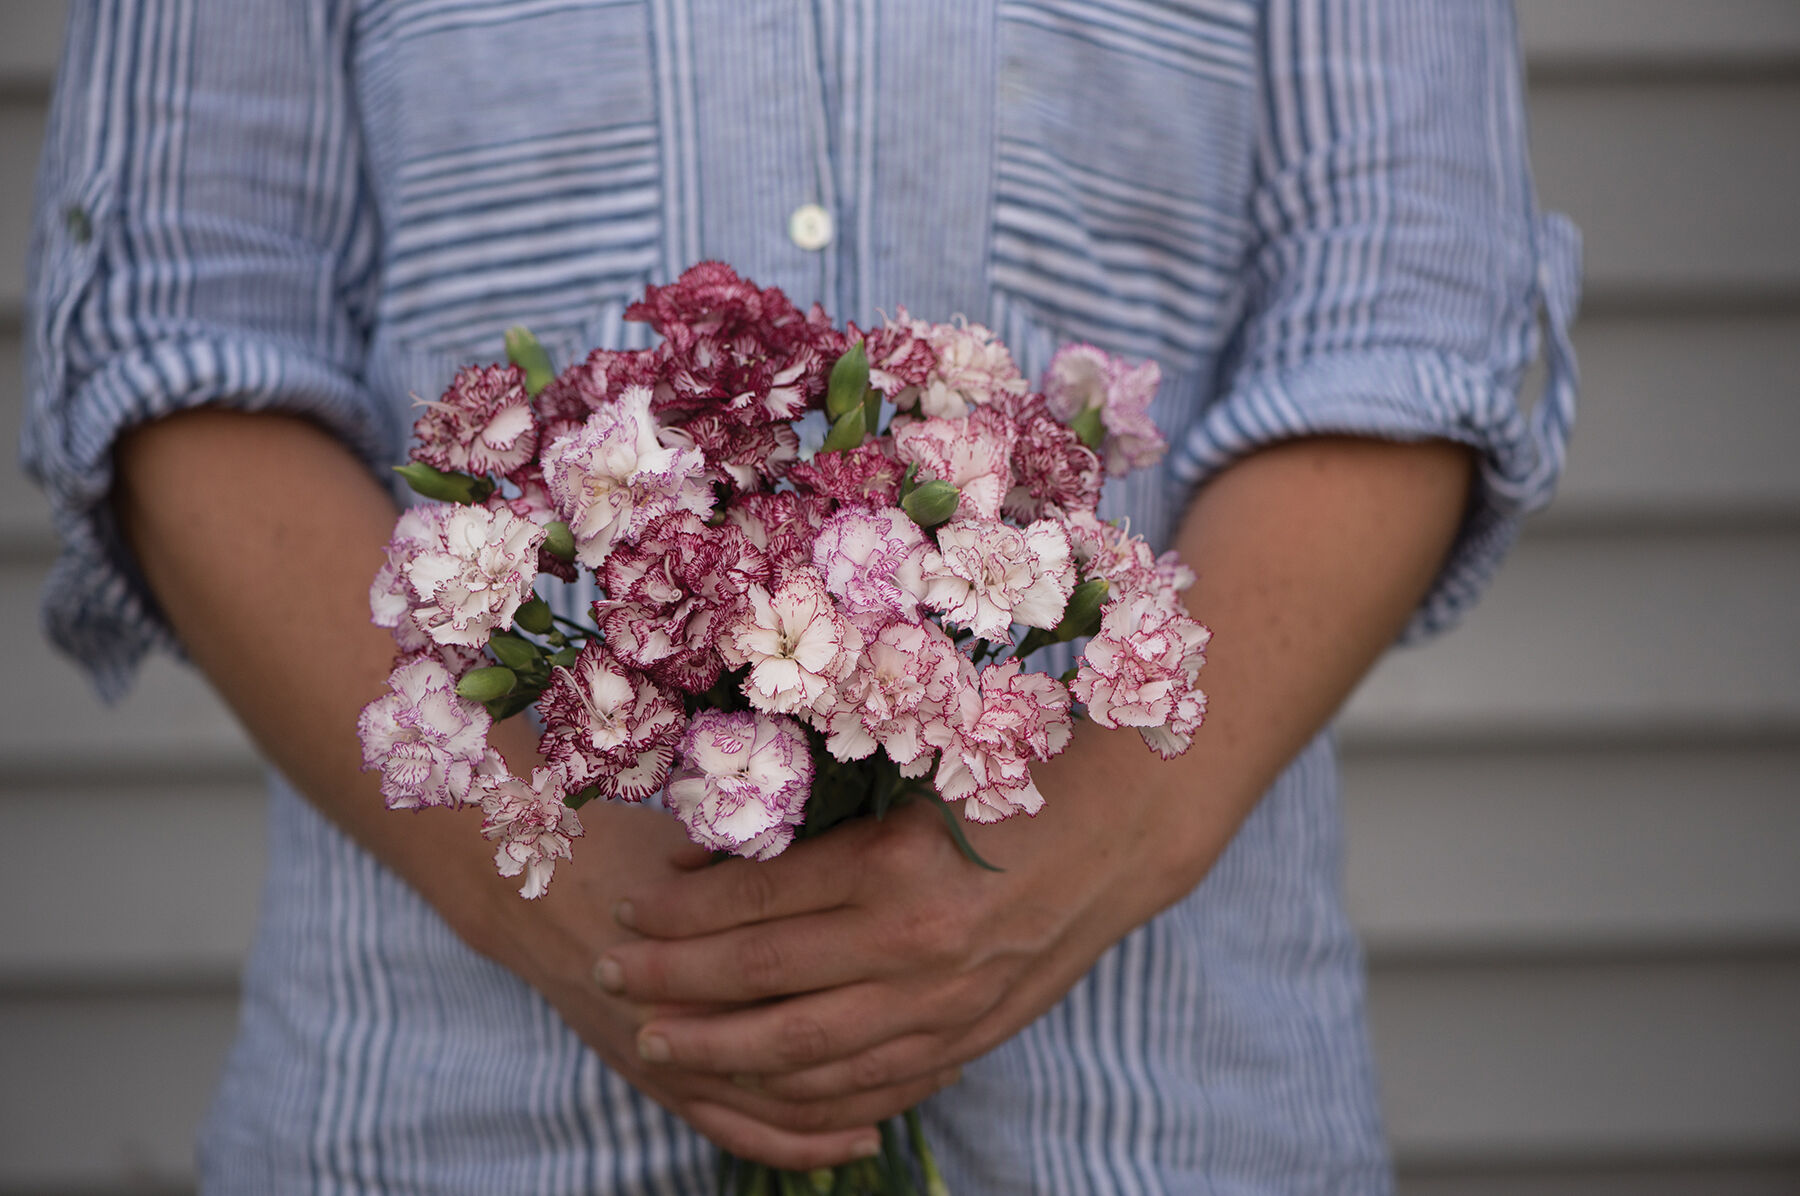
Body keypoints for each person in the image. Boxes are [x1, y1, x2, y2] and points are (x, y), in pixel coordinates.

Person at [23, 1, 1576, 1191]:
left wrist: (1086, 847)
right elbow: (176, 324)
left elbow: (1406, 326)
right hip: (449, 1122)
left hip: (1157, 1120)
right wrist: (561, 884)